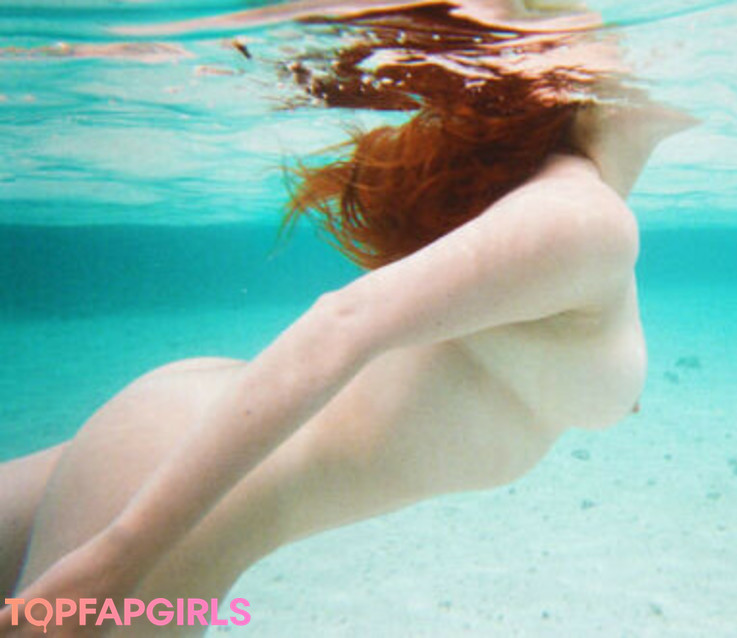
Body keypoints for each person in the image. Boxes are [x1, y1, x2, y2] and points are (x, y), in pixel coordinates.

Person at [0, 0, 697, 634]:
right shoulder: (582, 217)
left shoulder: (558, 206)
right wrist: (115, 562)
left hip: (170, 440)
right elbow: (343, 322)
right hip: (177, 494)